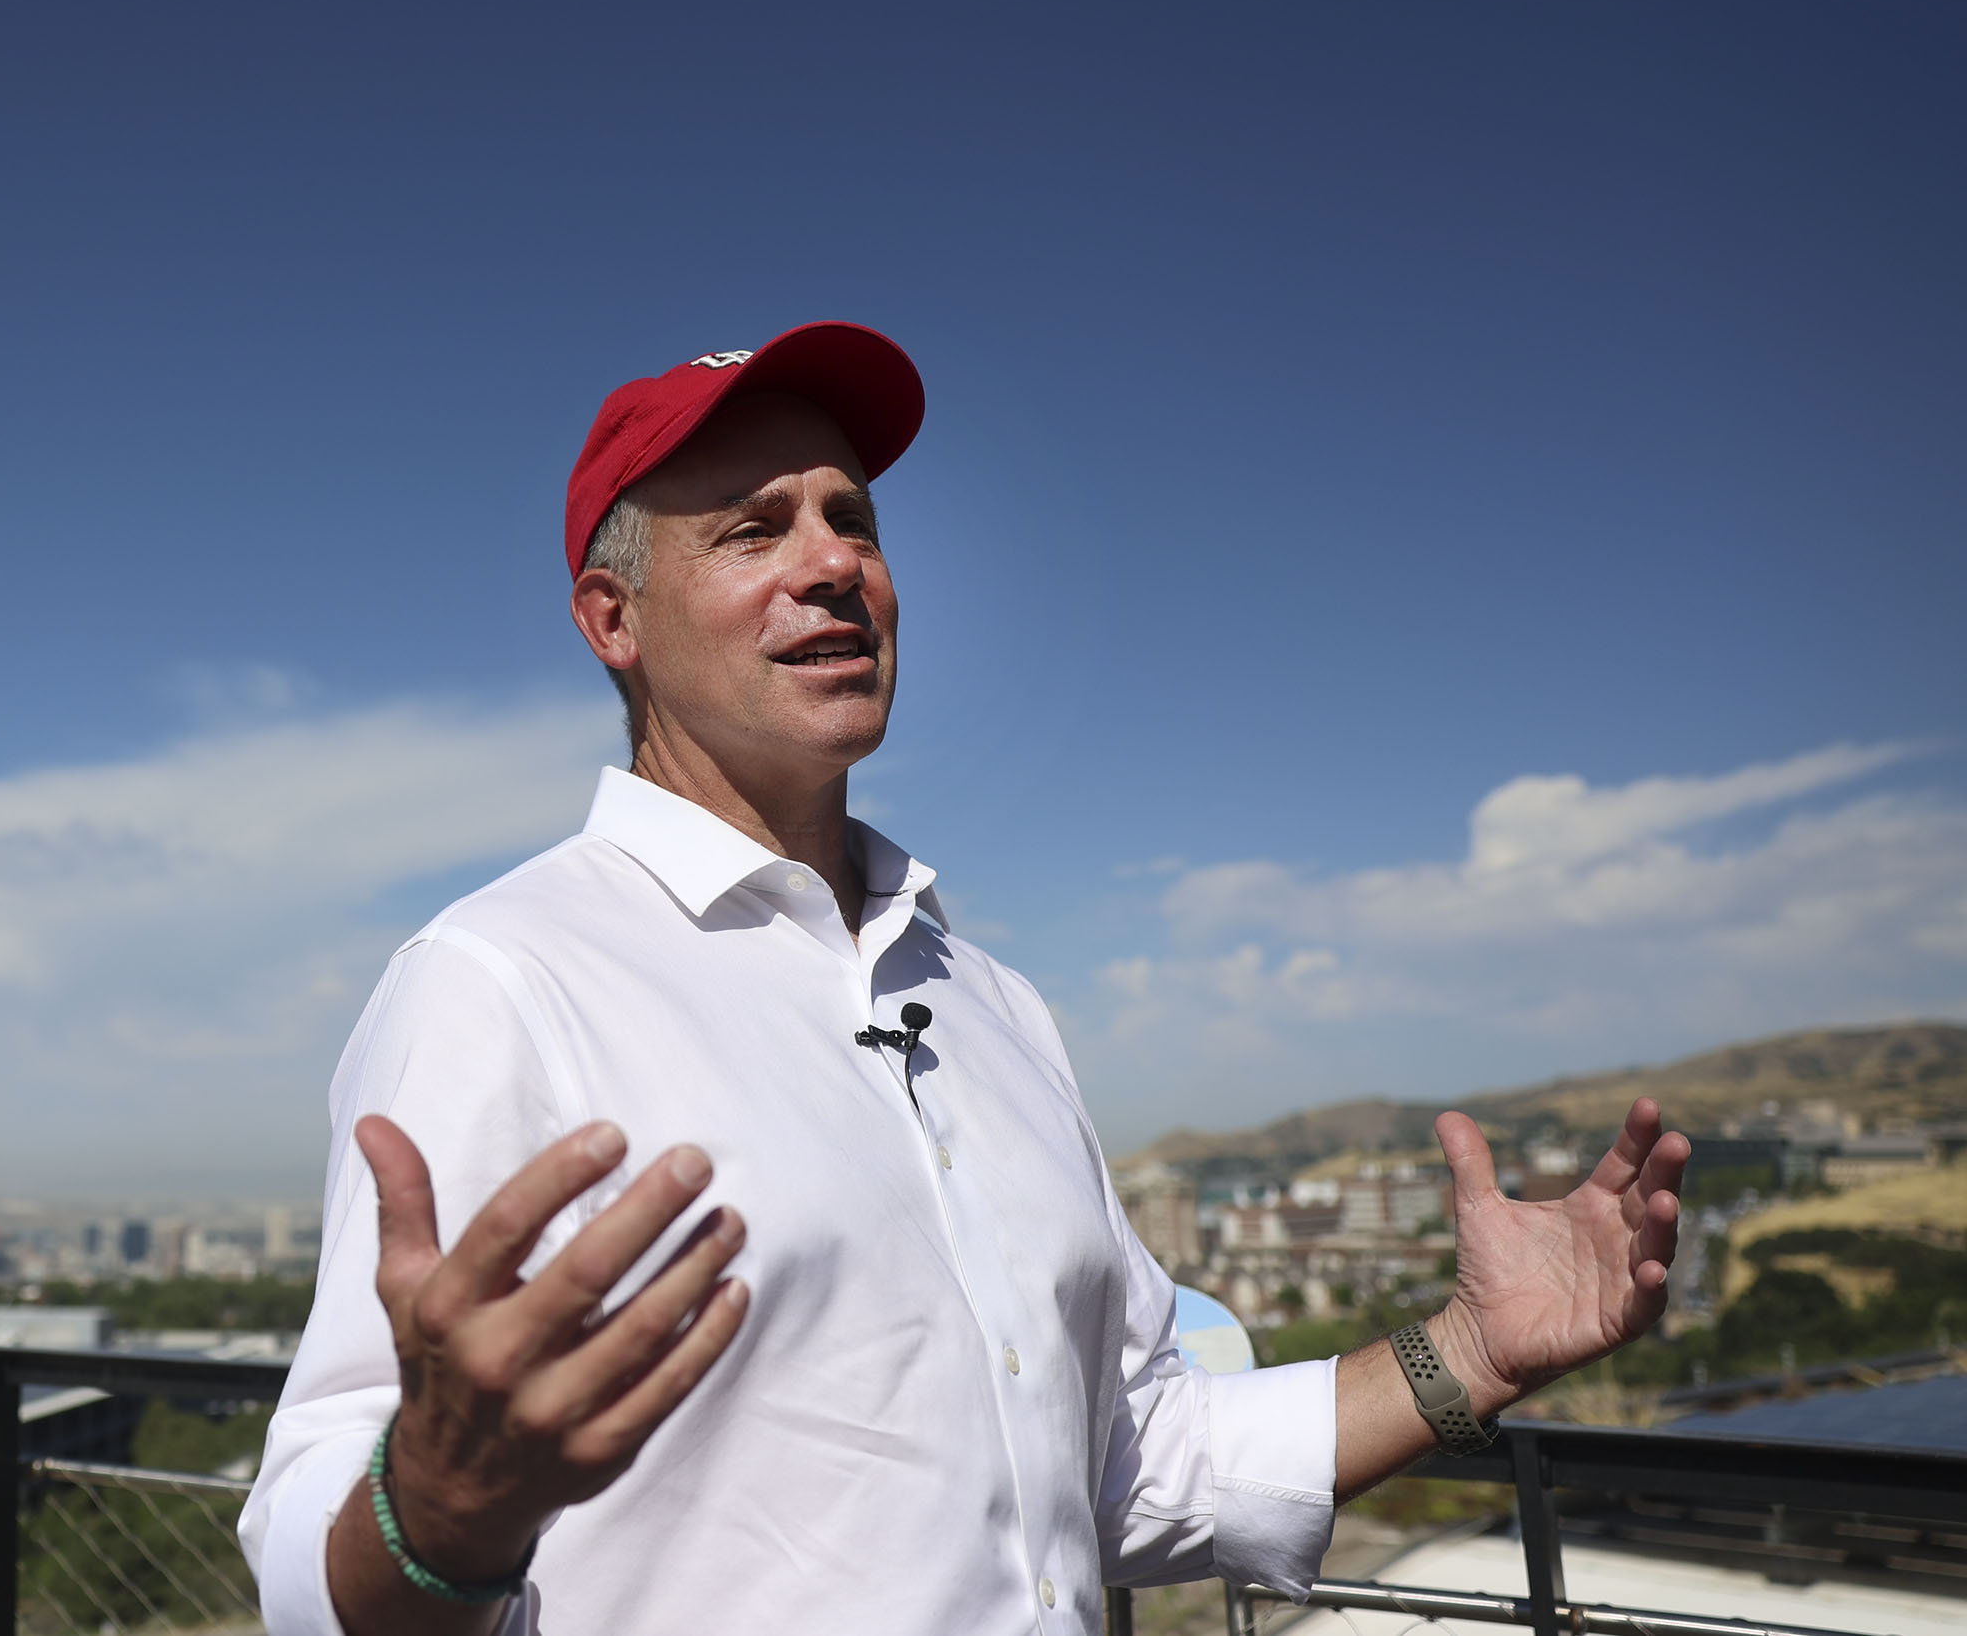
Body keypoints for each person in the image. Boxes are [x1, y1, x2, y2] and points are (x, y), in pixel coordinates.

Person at [239, 322, 1689, 1636]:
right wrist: (439, 1510)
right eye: (755, 528)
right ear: (613, 622)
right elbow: (310, 1556)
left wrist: (1473, 1351)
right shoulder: (500, 976)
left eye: (852, 519)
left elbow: (1124, 1464)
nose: (834, 563)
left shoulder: (993, 1003)